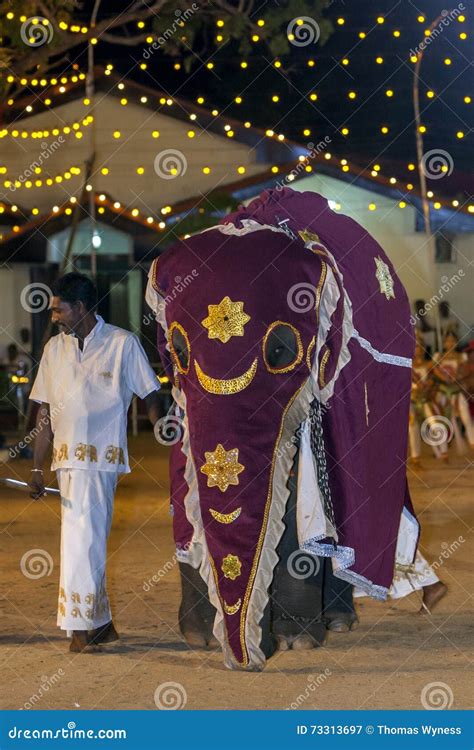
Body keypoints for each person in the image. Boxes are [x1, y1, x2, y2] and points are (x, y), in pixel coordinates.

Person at [29, 272, 161, 653]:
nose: (53, 316)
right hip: (65, 462)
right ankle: (100, 624)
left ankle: (79, 628)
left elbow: (150, 391)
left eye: (59, 309)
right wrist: (38, 469)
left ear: (82, 307)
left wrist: (160, 426)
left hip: (103, 460)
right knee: (85, 539)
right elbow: (44, 413)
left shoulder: (122, 343)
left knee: (80, 540)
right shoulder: (55, 350)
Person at [409, 332, 448, 464]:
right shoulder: (407, 365)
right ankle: (416, 459)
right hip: (412, 401)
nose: (417, 349)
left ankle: (444, 452)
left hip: (425, 400)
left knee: (435, 423)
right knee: (412, 427)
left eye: (419, 346)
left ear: (423, 348)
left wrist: (439, 358)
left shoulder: (428, 364)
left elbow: (437, 375)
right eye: (414, 345)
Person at [433, 332, 474, 451]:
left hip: (457, 392)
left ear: (456, 342)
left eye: (453, 340)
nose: (450, 343)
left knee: (466, 417)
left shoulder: (462, 357)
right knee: (444, 419)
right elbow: (432, 370)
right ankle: (444, 450)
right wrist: (443, 377)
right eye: (448, 341)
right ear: (444, 343)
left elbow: (467, 371)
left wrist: (457, 377)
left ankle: (472, 445)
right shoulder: (438, 356)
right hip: (443, 392)